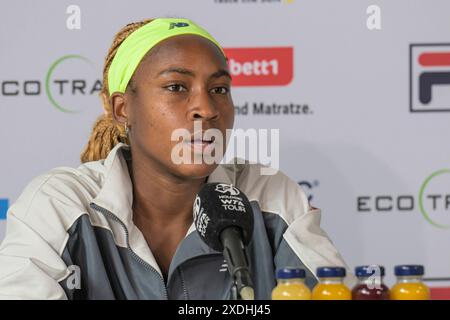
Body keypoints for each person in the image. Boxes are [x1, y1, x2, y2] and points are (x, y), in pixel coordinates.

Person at [0, 18, 355, 299]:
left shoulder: (269, 195)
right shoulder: (59, 204)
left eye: (219, 89)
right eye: (176, 87)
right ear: (123, 109)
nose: (207, 108)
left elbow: (336, 292)